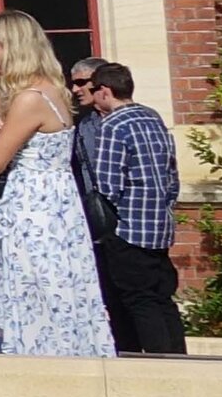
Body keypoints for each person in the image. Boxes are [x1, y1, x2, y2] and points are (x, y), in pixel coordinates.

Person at [0, 12, 113, 356]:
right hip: (60, 209)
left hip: (32, 209)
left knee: (33, 294)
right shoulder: (56, 92)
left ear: (11, 44)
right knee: (63, 291)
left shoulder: (29, 98)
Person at [78, 62, 187, 356]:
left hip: (128, 227)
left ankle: (155, 362)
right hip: (160, 224)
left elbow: (108, 183)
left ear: (104, 91)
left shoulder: (113, 125)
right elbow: (172, 174)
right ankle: (179, 359)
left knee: (138, 300)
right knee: (163, 298)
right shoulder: (152, 117)